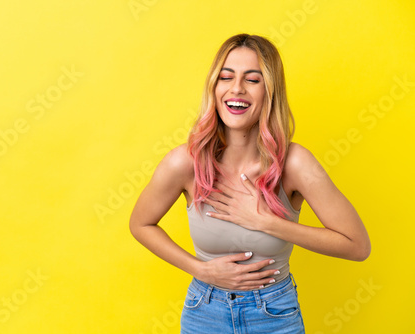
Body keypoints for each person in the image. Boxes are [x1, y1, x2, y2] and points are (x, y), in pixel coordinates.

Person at [129, 33, 370, 333]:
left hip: (274, 314)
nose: (236, 89)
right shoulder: (186, 162)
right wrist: (201, 270)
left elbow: (357, 246)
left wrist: (265, 222)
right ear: (214, 87)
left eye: (252, 80)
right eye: (226, 77)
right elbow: (140, 224)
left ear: (270, 91)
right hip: (204, 312)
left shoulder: (294, 163)